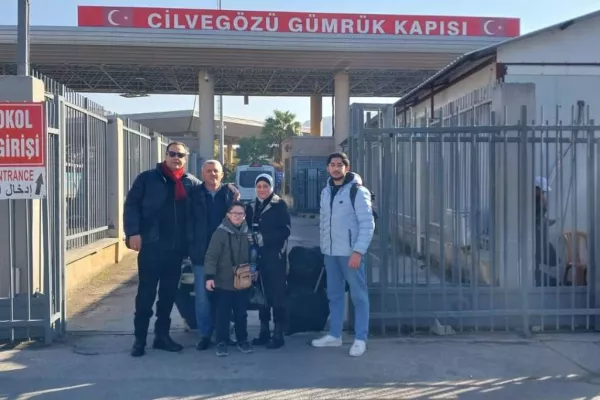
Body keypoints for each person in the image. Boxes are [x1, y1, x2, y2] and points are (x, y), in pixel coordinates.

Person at [124, 142, 200, 357]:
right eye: (172, 154)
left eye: (181, 155)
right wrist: (133, 232)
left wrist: (230, 191)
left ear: (185, 158)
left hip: (175, 250)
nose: (176, 158)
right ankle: (139, 339)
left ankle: (162, 336)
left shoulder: (191, 183)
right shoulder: (147, 179)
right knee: (146, 294)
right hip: (151, 246)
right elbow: (131, 205)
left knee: (168, 295)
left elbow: (206, 200)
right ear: (165, 155)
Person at [312, 152, 375, 357]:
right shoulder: (325, 191)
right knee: (334, 295)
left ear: (346, 168)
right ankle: (335, 335)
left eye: (340, 164)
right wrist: (324, 249)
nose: (336, 168)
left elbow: (367, 223)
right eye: (332, 164)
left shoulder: (357, 191)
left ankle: (360, 338)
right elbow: (324, 223)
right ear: (328, 168)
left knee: (359, 296)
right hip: (330, 253)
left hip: (350, 253)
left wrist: (358, 251)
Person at [189, 160, 240, 351]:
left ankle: (227, 332)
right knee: (202, 298)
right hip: (201, 255)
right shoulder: (194, 195)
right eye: (209, 171)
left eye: (216, 171)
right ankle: (205, 335)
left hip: (227, 256)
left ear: (222, 174)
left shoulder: (230, 194)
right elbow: (188, 222)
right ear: (202, 174)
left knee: (227, 296)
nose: (213, 174)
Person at [245, 173, 291, 349]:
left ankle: (278, 334)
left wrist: (264, 238)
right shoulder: (251, 206)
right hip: (257, 257)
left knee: (276, 295)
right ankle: (264, 331)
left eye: (265, 186)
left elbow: (285, 231)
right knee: (261, 295)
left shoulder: (279, 206)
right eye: (259, 186)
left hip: (275, 256)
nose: (262, 190)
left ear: (271, 187)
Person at [204, 201, 254, 357]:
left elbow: (253, 253)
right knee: (223, 315)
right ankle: (221, 341)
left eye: (241, 214)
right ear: (228, 215)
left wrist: (254, 269)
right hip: (223, 282)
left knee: (241, 314)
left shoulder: (248, 233)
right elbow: (211, 256)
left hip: (242, 282)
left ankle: (242, 339)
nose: (238, 216)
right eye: (235, 213)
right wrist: (210, 276)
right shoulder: (219, 233)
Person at [534, 176, 558, 286]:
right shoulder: (534, 203)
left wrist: (547, 221)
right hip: (537, 241)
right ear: (536, 189)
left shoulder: (540, 201)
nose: (544, 195)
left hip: (542, 240)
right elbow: (536, 219)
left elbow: (540, 218)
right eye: (542, 192)